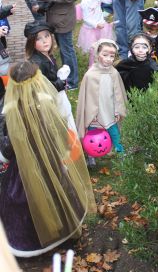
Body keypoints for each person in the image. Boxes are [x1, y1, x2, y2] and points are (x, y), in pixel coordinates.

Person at [0, 61, 96, 257]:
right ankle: (65, 232)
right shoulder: (46, 102)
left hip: (23, 170)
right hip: (51, 161)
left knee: (27, 200)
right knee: (58, 191)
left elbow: (8, 148)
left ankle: (36, 241)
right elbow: (58, 131)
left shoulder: (9, 111)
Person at [76, 39, 127, 167]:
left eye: (112, 56)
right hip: (95, 113)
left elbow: (118, 95)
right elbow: (87, 98)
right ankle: (91, 155)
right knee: (92, 134)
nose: (109, 59)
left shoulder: (114, 73)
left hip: (110, 111)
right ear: (98, 55)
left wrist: (117, 110)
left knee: (115, 134)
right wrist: (91, 113)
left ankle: (121, 153)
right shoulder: (90, 75)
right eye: (105, 55)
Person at [77, 0, 113, 67]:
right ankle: (93, 66)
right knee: (94, 48)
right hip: (91, 30)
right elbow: (86, 18)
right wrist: (95, 24)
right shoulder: (85, 3)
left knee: (102, 46)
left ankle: (102, 62)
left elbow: (108, 1)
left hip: (101, 27)